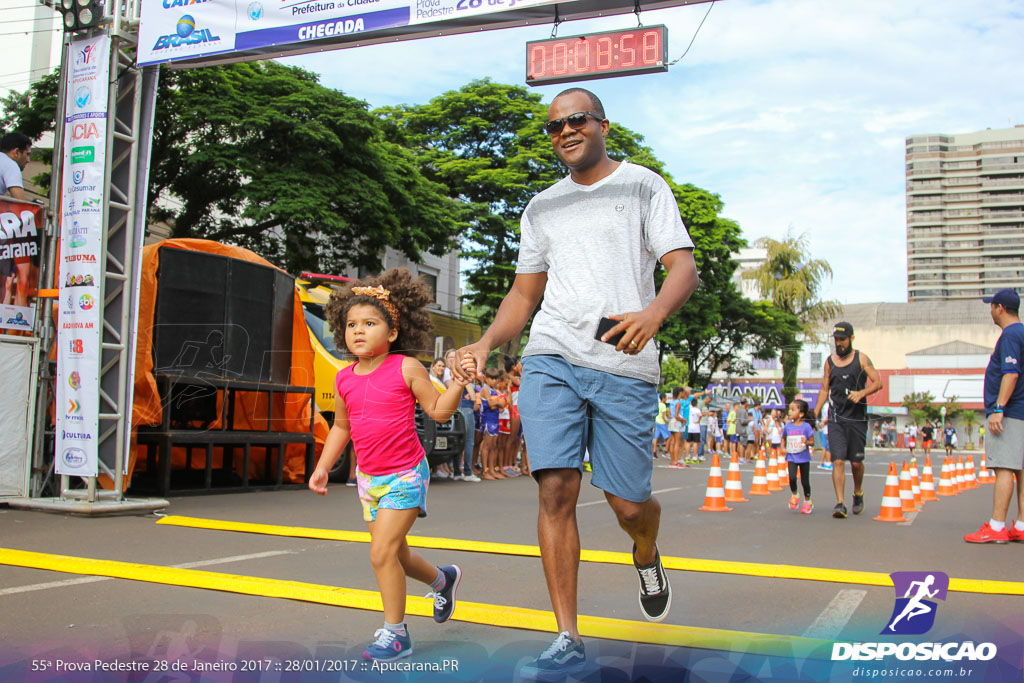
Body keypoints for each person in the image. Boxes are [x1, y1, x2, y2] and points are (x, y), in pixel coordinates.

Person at [455, 87, 698, 679]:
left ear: (603, 125)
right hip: (552, 355)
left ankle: (645, 551)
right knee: (555, 489)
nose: (566, 130)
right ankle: (566, 633)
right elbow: (525, 293)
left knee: (627, 504)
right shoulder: (540, 207)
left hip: (623, 364)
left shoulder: (644, 185)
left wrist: (653, 315)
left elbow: (683, 266)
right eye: (555, 126)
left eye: (577, 120)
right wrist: (486, 343)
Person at [308, 269, 475, 661]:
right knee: (395, 555)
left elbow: (436, 411)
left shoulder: (406, 368)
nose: (358, 331)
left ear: (393, 332)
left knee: (380, 553)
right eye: (351, 324)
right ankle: (442, 579)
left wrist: (456, 385)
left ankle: (396, 634)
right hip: (369, 479)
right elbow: (342, 428)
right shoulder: (344, 377)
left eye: (370, 323)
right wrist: (322, 466)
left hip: (404, 474)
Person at [965, 288, 1024, 544]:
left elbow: (1010, 373)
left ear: (1000, 308)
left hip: (1011, 412)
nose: (990, 311)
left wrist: (999, 408)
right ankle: (1021, 524)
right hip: (1021, 411)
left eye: (992, 306)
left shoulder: (1010, 335)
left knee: (1004, 468)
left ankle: (997, 525)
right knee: (1021, 469)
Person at [813, 321, 883, 519]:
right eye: (836, 340)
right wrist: (815, 412)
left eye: (842, 339)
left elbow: (878, 383)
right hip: (836, 419)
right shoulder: (829, 362)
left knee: (856, 464)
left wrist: (862, 393)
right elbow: (825, 389)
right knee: (837, 461)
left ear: (851, 338)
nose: (839, 343)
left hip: (857, 419)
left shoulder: (861, 359)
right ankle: (840, 503)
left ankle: (858, 492)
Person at [1, 133, 33, 307]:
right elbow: (20, 202)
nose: (27, 160)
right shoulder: (10, 165)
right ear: (16, 152)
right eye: (27, 154)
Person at [446, 349, 481, 482]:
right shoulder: (460, 374)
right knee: (468, 440)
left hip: (455, 408)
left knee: (457, 440)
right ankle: (467, 472)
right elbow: (472, 396)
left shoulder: (450, 373)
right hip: (464, 408)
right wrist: (471, 394)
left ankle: (457, 471)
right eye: (451, 357)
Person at [783, 400, 815, 514]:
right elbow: (783, 438)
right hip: (791, 456)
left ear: (801, 414)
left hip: (804, 457)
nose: (789, 412)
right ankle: (795, 494)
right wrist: (783, 448)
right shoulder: (787, 427)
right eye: (789, 409)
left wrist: (806, 442)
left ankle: (807, 501)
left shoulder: (806, 427)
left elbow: (812, 442)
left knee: (805, 481)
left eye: (793, 409)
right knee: (792, 478)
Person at [653, 394, 671, 459]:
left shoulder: (657, 404)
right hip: (662, 422)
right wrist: (666, 421)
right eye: (666, 398)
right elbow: (663, 416)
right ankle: (666, 452)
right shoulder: (663, 405)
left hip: (656, 421)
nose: (666, 399)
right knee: (669, 437)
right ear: (663, 398)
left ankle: (654, 453)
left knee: (656, 438)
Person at [817, 401, 833, 470]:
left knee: (826, 446)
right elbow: (828, 416)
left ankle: (823, 462)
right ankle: (828, 462)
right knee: (828, 447)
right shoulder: (828, 406)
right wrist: (823, 422)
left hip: (826, 429)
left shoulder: (824, 406)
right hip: (828, 429)